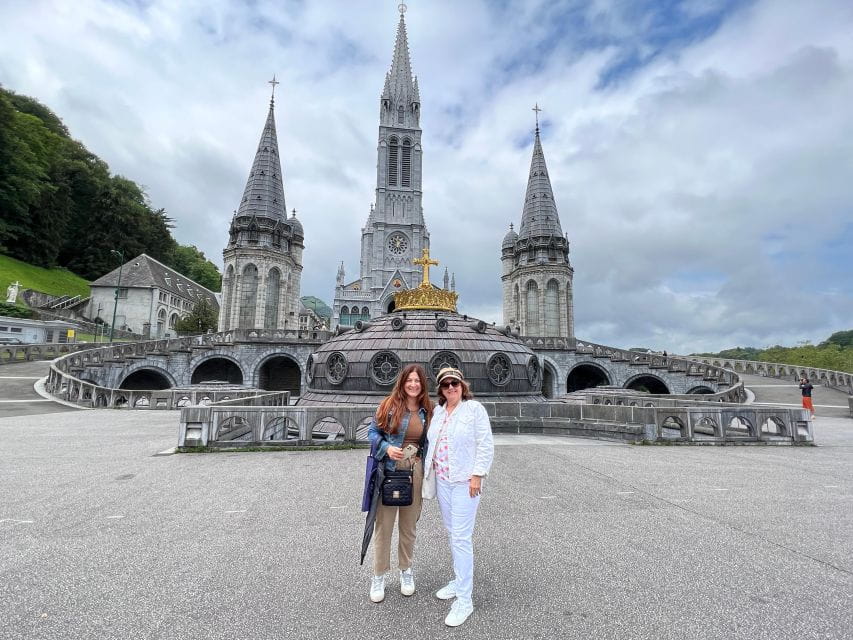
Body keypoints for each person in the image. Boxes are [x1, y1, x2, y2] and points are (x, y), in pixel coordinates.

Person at [422, 366, 494, 627]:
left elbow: (485, 443)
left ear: (463, 386)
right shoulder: (439, 412)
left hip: (465, 482)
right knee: (453, 533)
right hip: (443, 481)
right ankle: (458, 580)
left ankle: (465, 600)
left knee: (461, 538)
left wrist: (478, 474)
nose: (451, 387)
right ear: (440, 390)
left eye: (455, 383)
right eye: (446, 384)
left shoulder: (474, 409)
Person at [367, 364, 433, 603]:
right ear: (403, 382)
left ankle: (406, 570)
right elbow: (372, 433)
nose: (413, 384)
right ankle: (379, 575)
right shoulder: (389, 406)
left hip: (415, 471)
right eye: (409, 380)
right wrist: (386, 448)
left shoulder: (428, 410)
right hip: (390, 471)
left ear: (422, 384)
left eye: (417, 381)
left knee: (409, 526)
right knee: (383, 526)